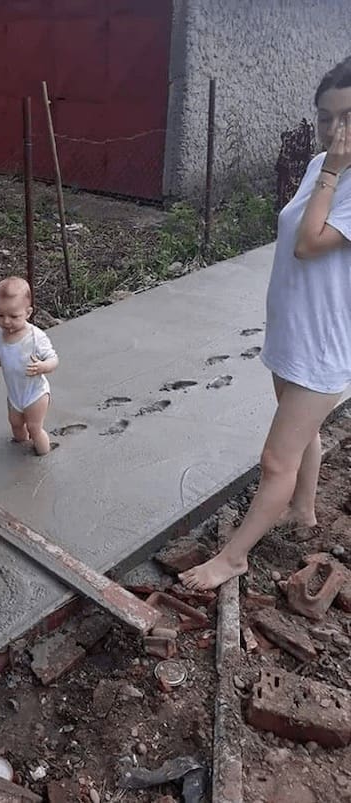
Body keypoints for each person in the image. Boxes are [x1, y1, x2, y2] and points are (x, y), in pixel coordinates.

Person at [180, 56, 351, 591]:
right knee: (303, 434)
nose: (334, 130)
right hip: (292, 330)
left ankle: (233, 558)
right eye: (325, 117)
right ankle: (302, 510)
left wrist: (332, 170)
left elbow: (307, 244)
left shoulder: (335, 172)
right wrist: (328, 167)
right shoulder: (320, 164)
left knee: (277, 459)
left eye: (347, 117)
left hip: (323, 345)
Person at [0, 276, 58, 455]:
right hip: (15, 395)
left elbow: (53, 359)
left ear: (28, 313)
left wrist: (43, 366)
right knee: (16, 424)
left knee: (34, 428)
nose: (6, 321)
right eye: (0, 315)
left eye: (14, 316)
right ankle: (21, 445)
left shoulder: (35, 337)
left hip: (35, 393)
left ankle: (43, 455)